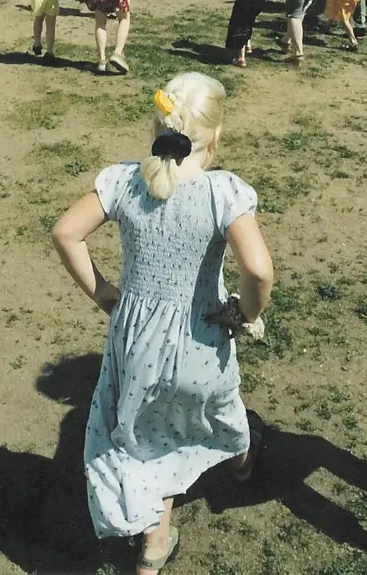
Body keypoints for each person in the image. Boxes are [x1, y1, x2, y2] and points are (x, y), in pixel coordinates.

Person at [51, 73, 273, 575]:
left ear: (157, 129)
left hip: (136, 343)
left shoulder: (124, 182)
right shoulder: (223, 193)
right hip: (202, 340)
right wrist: (244, 314)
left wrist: (105, 294)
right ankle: (241, 463)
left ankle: (154, 542)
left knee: (146, 436)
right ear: (215, 137)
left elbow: (66, 233)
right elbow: (259, 271)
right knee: (216, 405)